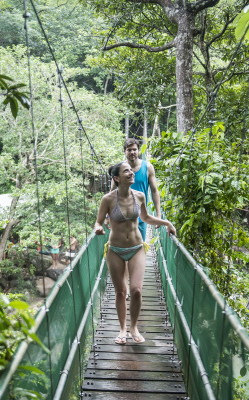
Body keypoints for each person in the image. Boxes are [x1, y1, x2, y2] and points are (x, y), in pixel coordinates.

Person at [95, 161, 176, 345]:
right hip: (114, 250)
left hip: (137, 247)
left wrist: (167, 223)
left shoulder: (139, 196)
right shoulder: (107, 199)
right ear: (117, 178)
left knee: (137, 290)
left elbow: (146, 218)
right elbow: (98, 221)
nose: (132, 173)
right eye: (126, 171)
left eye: (131, 170)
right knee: (121, 292)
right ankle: (122, 329)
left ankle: (134, 328)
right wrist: (98, 228)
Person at [110, 138, 162, 297]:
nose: (132, 152)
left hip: (141, 218)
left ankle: (135, 283)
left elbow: (154, 191)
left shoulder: (148, 167)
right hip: (121, 218)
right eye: (129, 150)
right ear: (124, 152)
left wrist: (158, 215)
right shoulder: (119, 169)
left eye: (134, 149)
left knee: (137, 250)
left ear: (138, 150)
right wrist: (107, 216)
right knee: (123, 251)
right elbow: (111, 193)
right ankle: (125, 286)